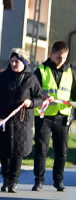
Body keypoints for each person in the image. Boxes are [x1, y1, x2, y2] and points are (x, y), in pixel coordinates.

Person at [0, 49, 43, 193]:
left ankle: (13, 180)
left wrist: (31, 102)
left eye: (17, 61)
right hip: (3, 119)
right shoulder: (3, 77)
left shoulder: (31, 79)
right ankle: (6, 179)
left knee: (18, 151)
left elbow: (40, 98)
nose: (13, 64)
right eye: (11, 61)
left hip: (21, 121)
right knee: (4, 151)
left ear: (24, 62)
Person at [33, 41, 72, 191]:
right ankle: (39, 181)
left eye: (64, 58)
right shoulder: (41, 71)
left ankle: (59, 180)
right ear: (51, 54)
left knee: (62, 151)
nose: (62, 61)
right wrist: (44, 97)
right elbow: (34, 91)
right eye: (59, 57)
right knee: (41, 149)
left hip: (63, 116)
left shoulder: (70, 72)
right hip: (44, 116)